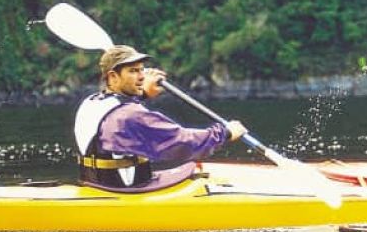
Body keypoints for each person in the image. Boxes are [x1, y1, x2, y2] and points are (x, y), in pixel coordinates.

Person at [74, 45, 247, 191]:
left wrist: (143, 93)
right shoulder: (130, 117)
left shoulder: (92, 102)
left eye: (142, 70)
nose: (142, 76)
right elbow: (183, 142)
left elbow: (117, 114)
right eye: (133, 71)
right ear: (113, 76)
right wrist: (225, 133)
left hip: (97, 185)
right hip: (129, 190)